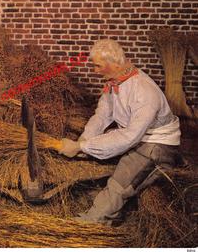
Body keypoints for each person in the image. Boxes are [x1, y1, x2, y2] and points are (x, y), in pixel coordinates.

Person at [58, 39, 181, 225]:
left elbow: (130, 137)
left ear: (114, 64)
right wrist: (84, 139)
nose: (95, 71)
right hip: (136, 137)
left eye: (98, 66)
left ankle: (93, 223)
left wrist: (81, 146)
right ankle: (100, 200)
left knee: (120, 183)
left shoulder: (144, 91)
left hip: (157, 145)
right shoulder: (115, 82)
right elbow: (102, 116)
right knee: (100, 161)